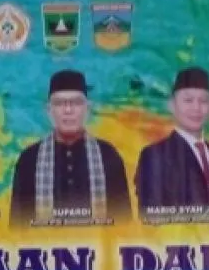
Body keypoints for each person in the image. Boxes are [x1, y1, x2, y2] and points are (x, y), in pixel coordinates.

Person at [9, 69, 131, 227]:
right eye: (59, 103)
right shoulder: (29, 160)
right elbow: (17, 228)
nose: (68, 110)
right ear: (48, 110)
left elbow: (125, 226)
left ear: (87, 108)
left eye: (76, 103)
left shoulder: (108, 156)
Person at [135, 67, 209, 210]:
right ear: (172, 105)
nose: (196, 108)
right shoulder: (155, 156)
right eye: (188, 100)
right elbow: (152, 214)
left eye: (203, 101)